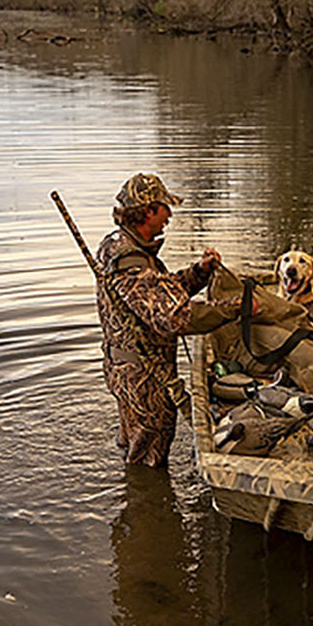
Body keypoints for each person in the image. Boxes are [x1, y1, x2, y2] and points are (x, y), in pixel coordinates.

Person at [93, 172, 245, 467]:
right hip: (143, 377)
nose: (169, 215)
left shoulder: (128, 249)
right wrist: (236, 308)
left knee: (134, 447)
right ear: (148, 211)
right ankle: (146, 507)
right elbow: (175, 316)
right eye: (165, 207)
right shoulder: (129, 260)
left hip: (129, 369)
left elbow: (160, 294)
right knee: (148, 459)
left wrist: (200, 271)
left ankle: (139, 500)